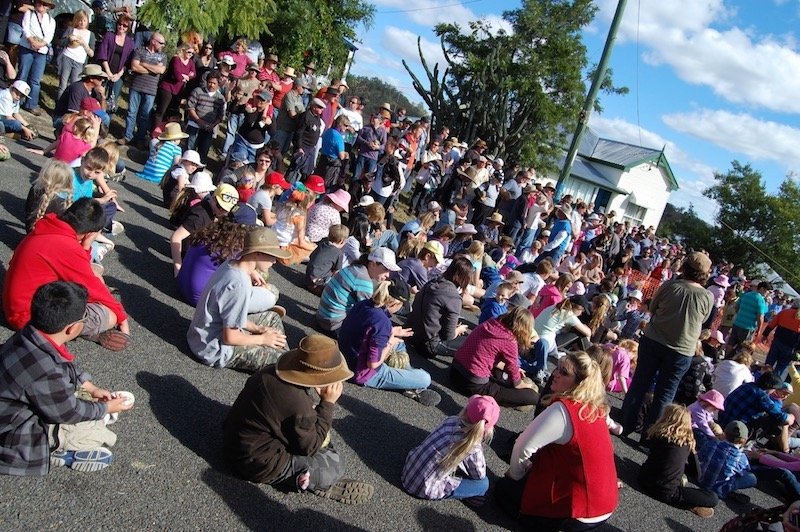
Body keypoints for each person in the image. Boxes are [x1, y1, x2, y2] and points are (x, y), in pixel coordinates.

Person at [0, 281, 134, 476]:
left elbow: (64, 363)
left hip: (13, 405)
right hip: (15, 431)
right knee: (96, 434)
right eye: (84, 318)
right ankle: (59, 450)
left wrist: (91, 388)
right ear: (72, 329)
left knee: (85, 403)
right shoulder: (46, 371)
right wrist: (106, 408)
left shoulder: (31, 333)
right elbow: (69, 412)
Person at [222, 334, 374, 504]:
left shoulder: (269, 372)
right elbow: (309, 447)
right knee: (336, 463)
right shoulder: (299, 405)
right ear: (321, 378)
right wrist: (328, 403)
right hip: (255, 463)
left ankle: (306, 474)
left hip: (234, 439)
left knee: (318, 434)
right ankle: (307, 480)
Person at [497, 351, 618, 530]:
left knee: (503, 490)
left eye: (564, 372)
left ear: (579, 383)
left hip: (579, 512)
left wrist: (515, 476)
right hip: (605, 504)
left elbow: (522, 446)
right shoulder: (595, 408)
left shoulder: (564, 410)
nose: (555, 373)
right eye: (558, 368)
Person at [3, 199, 130, 351]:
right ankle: (72, 333)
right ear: (90, 233)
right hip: (30, 318)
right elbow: (90, 286)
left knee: (95, 274)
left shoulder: (48, 225)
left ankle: (72, 330)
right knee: (109, 316)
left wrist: (86, 246)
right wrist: (121, 317)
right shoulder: (65, 245)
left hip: (18, 304)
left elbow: (81, 268)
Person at [619, 252, 714, 435]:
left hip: (654, 339)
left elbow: (653, 308)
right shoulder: (707, 297)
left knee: (640, 383)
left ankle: (626, 424)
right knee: (666, 393)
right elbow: (702, 321)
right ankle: (651, 434)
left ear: (685, 267)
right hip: (682, 349)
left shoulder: (671, 286)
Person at [187, 227, 290, 372]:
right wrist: (263, 339)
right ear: (257, 253)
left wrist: (258, 329)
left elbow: (227, 315)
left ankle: (280, 350)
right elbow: (230, 337)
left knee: (272, 317)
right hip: (216, 349)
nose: (274, 261)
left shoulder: (232, 263)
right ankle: (284, 366)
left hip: (201, 335)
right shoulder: (238, 284)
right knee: (285, 362)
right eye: (272, 255)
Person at [338, 279, 440, 406]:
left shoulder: (364, 304)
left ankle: (406, 380)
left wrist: (391, 332)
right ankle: (410, 384)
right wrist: (389, 342)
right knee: (425, 378)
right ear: (395, 304)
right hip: (363, 373)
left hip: (344, 355)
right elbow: (373, 364)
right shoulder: (382, 322)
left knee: (400, 343)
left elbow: (365, 329)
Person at [401, 395, 499, 504]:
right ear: (488, 429)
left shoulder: (451, 420)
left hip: (408, 469)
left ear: (466, 410)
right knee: (483, 484)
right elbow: (479, 475)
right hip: (424, 489)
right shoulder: (474, 448)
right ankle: (473, 498)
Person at [638, 404, 719, 518]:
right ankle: (689, 504)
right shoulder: (686, 441)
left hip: (643, 478)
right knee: (713, 498)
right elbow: (697, 473)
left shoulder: (657, 432)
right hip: (666, 492)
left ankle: (688, 502)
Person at [451, 306, 539, 409]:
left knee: (504, 373)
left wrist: (513, 370)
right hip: (471, 384)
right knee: (533, 396)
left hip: (454, 371)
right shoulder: (509, 340)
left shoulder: (492, 323)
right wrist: (521, 384)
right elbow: (513, 372)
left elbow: (487, 355)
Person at [316, 247, 400, 335]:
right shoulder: (363, 280)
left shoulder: (356, 268)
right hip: (334, 325)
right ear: (373, 264)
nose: (388, 275)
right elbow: (369, 314)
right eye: (385, 269)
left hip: (323, 316)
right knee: (383, 337)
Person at [408, 256, 473, 358]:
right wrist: (459, 329)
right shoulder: (453, 297)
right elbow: (449, 336)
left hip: (412, 333)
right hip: (429, 344)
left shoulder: (431, 283)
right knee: (473, 342)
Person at [170, 183, 239, 275]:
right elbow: (176, 237)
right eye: (220, 207)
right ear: (213, 198)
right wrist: (178, 266)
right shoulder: (199, 216)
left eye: (226, 210)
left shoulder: (212, 210)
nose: (222, 211)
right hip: (189, 255)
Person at [719, 372, 795, 452]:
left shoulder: (747, 385)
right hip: (735, 429)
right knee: (776, 421)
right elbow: (782, 417)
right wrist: (791, 417)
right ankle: (785, 450)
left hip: (723, 420)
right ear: (771, 387)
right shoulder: (761, 396)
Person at [120, 32, 167, 147]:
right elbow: (134, 66)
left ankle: (140, 139)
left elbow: (160, 71)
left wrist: (144, 64)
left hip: (150, 90)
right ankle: (128, 136)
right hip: (136, 86)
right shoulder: (139, 51)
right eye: (161, 43)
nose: (163, 45)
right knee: (131, 112)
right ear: (153, 41)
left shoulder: (163, 56)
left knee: (145, 115)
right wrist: (153, 69)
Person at [696, 421, 757, 501]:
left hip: (701, 480)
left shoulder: (712, 444)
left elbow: (700, 456)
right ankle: (725, 490)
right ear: (744, 440)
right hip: (718, 488)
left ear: (724, 434)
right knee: (752, 478)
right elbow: (743, 472)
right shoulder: (741, 458)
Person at [17, 0, 55, 116]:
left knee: (35, 80)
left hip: (41, 51)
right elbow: (25, 29)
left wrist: (41, 44)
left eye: (45, 4)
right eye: (40, 3)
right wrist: (31, 41)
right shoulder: (29, 14)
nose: (42, 6)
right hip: (27, 47)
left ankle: (31, 104)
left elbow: (49, 37)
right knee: (23, 74)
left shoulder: (51, 21)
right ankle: (16, 99)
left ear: (48, 7)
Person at [95, 14, 134, 113]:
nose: (121, 27)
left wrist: (119, 74)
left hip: (118, 76)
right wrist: (108, 72)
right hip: (105, 71)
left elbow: (128, 62)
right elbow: (102, 53)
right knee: (99, 96)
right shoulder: (109, 35)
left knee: (112, 100)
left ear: (127, 28)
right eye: (120, 24)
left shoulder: (130, 42)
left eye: (124, 26)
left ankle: (106, 123)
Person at [184, 70, 225, 159]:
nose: (211, 85)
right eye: (210, 82)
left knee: (203, 151)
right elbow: (190, 107)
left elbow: (220, 116)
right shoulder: (198, 91)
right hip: (194, 125)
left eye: (214, 83)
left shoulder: (220, 98)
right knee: (190, 150)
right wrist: (199, 121)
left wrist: (212, 125)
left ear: (218, 84)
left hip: (208, 128)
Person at [56, 10, 95, 99]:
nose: (82, 22)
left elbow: (91, 53)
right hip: (67, 57)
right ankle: (58, 107)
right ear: (76, 20)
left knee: (75, 86)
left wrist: (84, 44)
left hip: (79, 62)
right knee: (63, 83)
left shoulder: (90, 35)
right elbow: (60, 42)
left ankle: (70, 107)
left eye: (84, 20)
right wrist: (69, 40)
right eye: (80, 20)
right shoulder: (71, 30)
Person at [761, 298, 800, 379]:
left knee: (769, 363)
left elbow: (771, 325)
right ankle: (771, 387)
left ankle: (762, 380)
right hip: (790, 347)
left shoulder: (784, 312)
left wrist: (765, 335)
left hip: (777, 342)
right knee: (780, 368)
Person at [728, 281, 772, 353]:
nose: (767, 293)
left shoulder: (746, 295)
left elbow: (736, 306)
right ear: (762, 289)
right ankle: (739, 361)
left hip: (737, 322)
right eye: (767, 291)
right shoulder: (760, 300)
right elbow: (760, 316)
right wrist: (759, 329)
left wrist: (740, 314)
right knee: (744, 347)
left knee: (731, 342)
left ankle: (726, 357)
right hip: (748, 327)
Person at [305, 224, 347, 296]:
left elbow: (311, 256)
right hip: (319, 283)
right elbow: (336, 272)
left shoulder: (322, 244)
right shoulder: (338, 253)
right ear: (342, 241)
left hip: (308, 279)